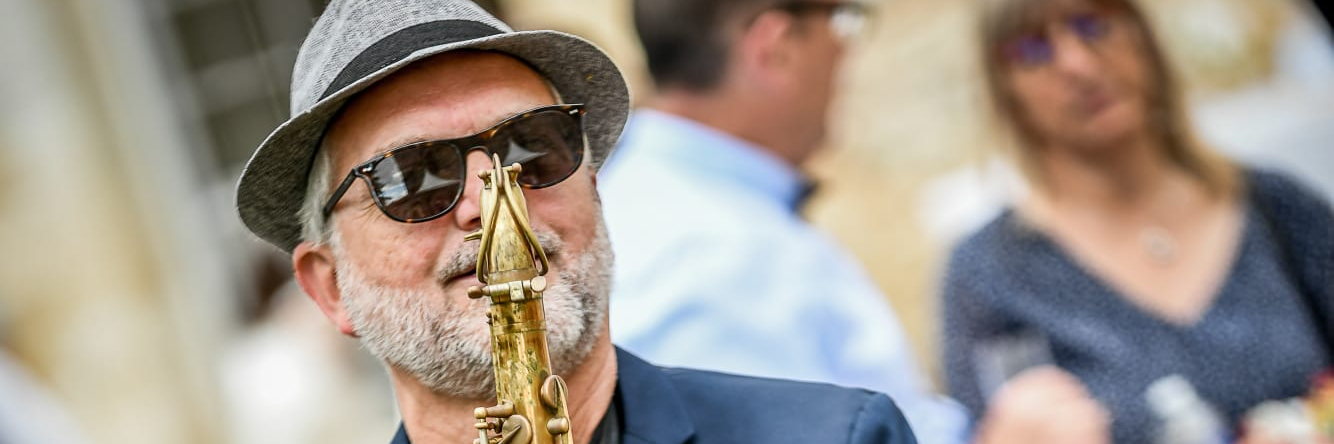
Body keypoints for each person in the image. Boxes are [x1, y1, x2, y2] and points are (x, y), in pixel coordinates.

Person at [233, 0, 920, 443]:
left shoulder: (839, 435)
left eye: (533, 147)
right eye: (416, 177)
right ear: (327, 287)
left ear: (595, 186)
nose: (490, 201)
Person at [941, 0, 1334, 442]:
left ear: (1143, 36)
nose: (1078, 65)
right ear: (1006, 92)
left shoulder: (1273, 205)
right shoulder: (991, 272)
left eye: (1092, 26)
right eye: (1033, 50)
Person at [597, 1, 967, 443]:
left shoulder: (679, 205)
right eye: (841, 21)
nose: (846, 52)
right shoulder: (717, 253)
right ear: (776, 49)